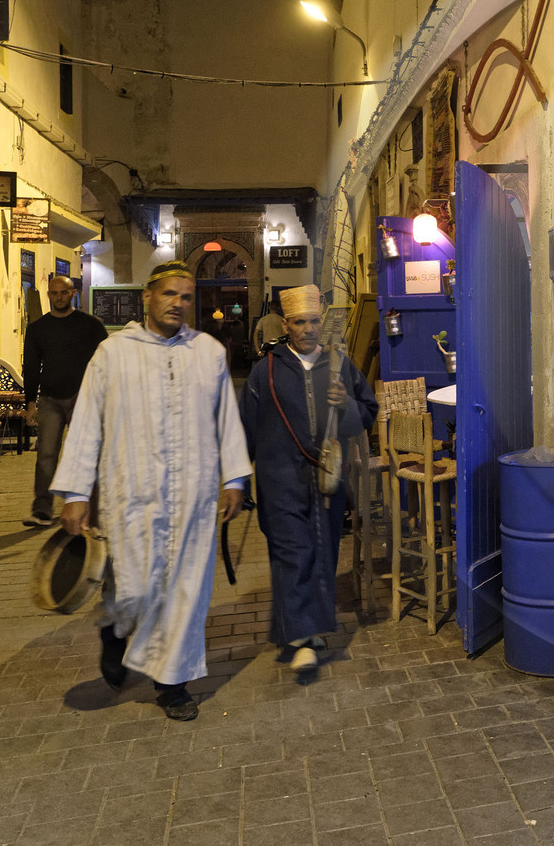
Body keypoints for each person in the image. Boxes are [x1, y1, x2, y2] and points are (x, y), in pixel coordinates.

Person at [53, 261, 251, 722]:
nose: (178, 304)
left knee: (185, 591)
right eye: (169, 294)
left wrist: (234, 479)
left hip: (194, 496)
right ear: (147, 296)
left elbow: (227, 421)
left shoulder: (208, 353)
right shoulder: (113, 352)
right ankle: (115, 628)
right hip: (131, 492)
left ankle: (173, 682)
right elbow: (85, 424)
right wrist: (77, 493)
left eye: (186, 296)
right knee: (133, 586)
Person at [240, 284, 377, 677]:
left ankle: (306, 631)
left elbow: (367, 411)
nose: (308, 329)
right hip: (279, 481)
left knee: (322, 553)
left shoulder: (339, 365)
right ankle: (302, 638)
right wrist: (239, 481)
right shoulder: (264, 371)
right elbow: (245, 427)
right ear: (287, 324)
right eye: (300, 322)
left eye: (314, 321)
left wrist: (345, 405)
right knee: (293, 554)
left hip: (327, 483)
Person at [21, 275, 107, 527]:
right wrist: (30, 403)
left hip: (84, 398)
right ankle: (42, 509)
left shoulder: (90, 325)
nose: (59, 297)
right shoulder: (37, 329)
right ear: (48, 295)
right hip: (50, 398)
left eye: (64, 293)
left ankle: (90, 507)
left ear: (73, 294)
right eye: (54, 293)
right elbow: (32, 367)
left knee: (86, 452)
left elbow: (105, 360)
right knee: (46, 454)